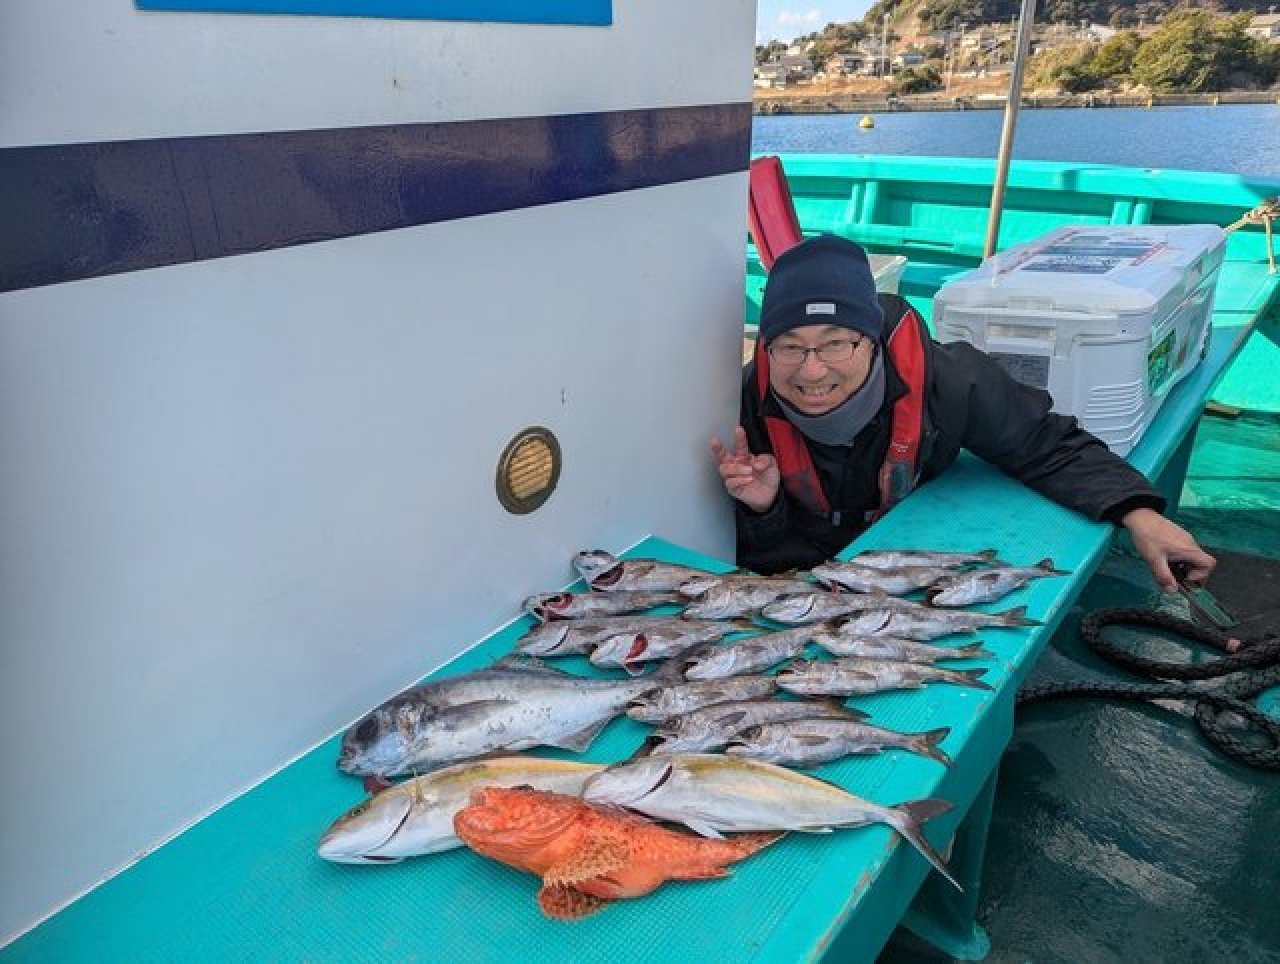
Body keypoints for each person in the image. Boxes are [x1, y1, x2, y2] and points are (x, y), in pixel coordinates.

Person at [711, 234, 1216, 591]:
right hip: (822, 586)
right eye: (790, 347)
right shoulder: (746, 406)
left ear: (872, 344)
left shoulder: (950, 380)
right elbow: (766, 559)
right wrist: (763, 509)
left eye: (836, 343)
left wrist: (1139, 513)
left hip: (915, 564)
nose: (813, 371)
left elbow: (1046, 445)